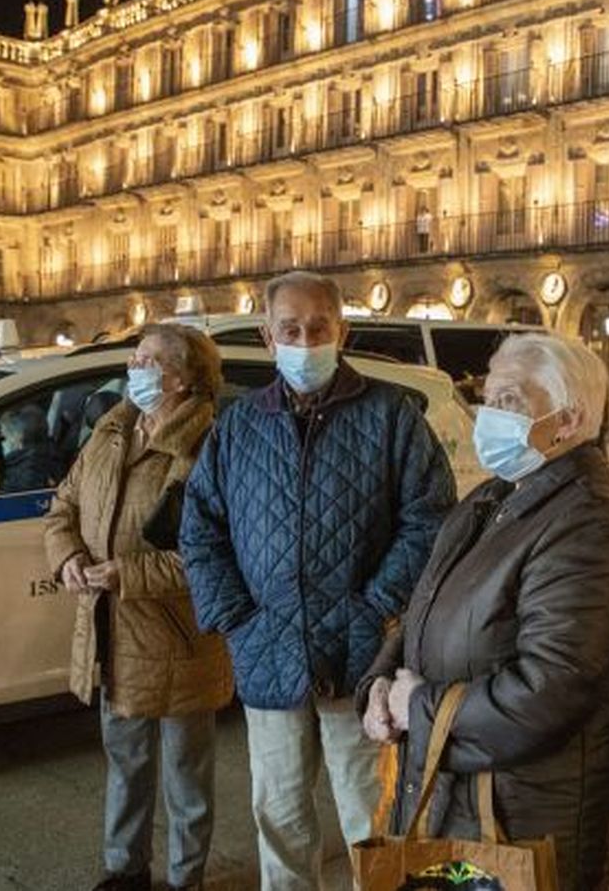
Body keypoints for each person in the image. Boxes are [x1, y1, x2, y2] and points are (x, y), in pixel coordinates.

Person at [181, 270, 456, 891]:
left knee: (371, 815)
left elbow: (429, 520)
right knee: (277, 814)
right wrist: (237, 621)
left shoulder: (392, 416)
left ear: (343, 331)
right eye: (290, 329)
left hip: (361, 656)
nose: (305, 341)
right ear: (268, 336)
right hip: (267, 651)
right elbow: (201, 530)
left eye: (318, 328)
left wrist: (376, 606)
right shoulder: (239, 426)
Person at [358, 334, 609, 891]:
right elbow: (426, 605)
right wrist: (380, 683)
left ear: (568, 419)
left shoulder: (588, 522)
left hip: (524, 813)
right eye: (488, 398)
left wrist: (417, 705)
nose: (489, 415)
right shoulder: (493, 498)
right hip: (455, 793)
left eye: (510, 400)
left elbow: (549, 689)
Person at [44, 324, 234, 891]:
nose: (134, 365)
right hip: (112, 632)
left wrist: (127, 572)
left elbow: (217, 555)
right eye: (136, 355)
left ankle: (185, 878)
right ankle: (124, 869)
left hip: (179, 641)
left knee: (186, 775)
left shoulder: (207, 446)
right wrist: (69, 556)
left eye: (147, 358)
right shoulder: (113, 428)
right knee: (125, 765)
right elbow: (63, 506)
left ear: (179, 378)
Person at [0, 403, 56, 491]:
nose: (2, 443)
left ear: (18, 437)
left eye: (5, 437)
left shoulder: (24, 475)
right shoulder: (49, 457)